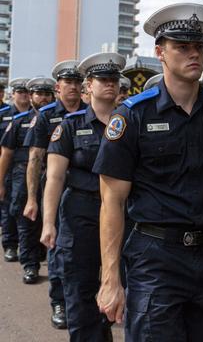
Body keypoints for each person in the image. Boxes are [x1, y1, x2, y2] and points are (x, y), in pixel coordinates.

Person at [93, 3, 203, 342]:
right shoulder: (134, 115)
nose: (193, 54)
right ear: (160, 52)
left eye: (198, 46)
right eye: (182, 46)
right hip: (156, 258)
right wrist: (111, 279)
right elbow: (111, 200)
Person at [41, 52, 126, 342]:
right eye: (103, 79)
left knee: (123, 286)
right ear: (89, 85)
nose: (110, 85)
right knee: (80, 286)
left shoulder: (129, 122)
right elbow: (54, 178)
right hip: (81, 213)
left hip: (123, 214)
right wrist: (48, 223)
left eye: (114, 79)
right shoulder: (70, 125)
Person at [23, 60, 86, 329]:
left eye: (77, 82)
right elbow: (35, 158)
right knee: (58, 247)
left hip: (86, 193)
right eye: (68, 83)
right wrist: (31, 198)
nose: (73, 87)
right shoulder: (47, 115)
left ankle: (84, 300)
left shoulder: (91, 112)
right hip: (56, 191)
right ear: (58, 87)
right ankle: (59, 301)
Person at [0, 76, 55, 284]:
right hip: (23, 175)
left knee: (48, 219)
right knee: (26, 220)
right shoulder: (19, 121)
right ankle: (30, 265)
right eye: (38, 94)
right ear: (32, 97)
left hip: (52, 176)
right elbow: (6, 153)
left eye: (46, 94)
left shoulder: (60, 118)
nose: (43, 97)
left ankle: (45, 257)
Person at [0, 79, 30, 263]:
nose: (24, 95)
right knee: (9, 209)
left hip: (26, 168)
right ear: (14, 94)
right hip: (7, 167)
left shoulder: (36, 116)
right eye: (20, 92)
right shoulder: (4, 114)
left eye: (27, 92)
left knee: (24, 210)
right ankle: (10, 245)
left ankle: (28, 246)